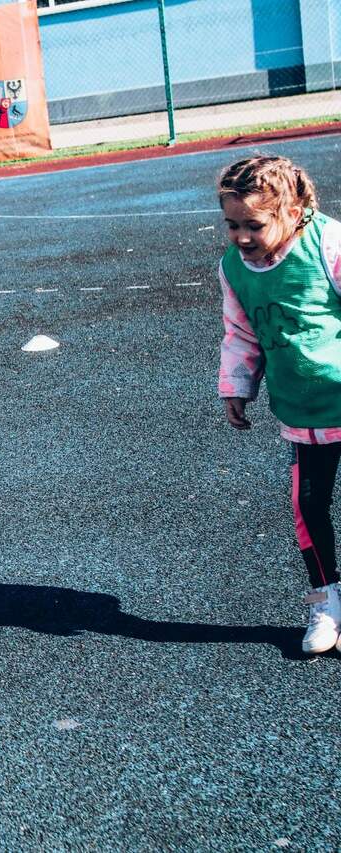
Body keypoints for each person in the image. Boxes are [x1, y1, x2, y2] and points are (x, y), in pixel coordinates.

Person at [217, 154, 341, 655]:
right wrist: (237, 385)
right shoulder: (233, 268)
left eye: (254, 225)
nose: (242, 236)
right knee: (307, 506)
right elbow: (241, 331)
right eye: (233, 225)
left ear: (292, 211)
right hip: (301, 412)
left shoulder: (328, 244)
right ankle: (326, 602)